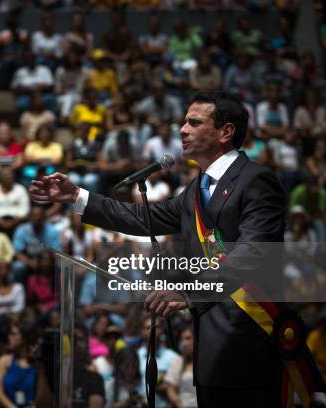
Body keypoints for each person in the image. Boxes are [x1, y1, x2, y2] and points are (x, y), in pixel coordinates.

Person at [30, 92, 293, 407]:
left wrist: (186, 293)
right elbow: (143, 218)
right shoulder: (197, 189)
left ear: (226, 132)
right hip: (211, 348)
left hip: (251, 343)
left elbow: (251, 253)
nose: (182, 129)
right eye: (184, 122)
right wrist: (78, 196)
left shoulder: (257, 181)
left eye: (194, 122)